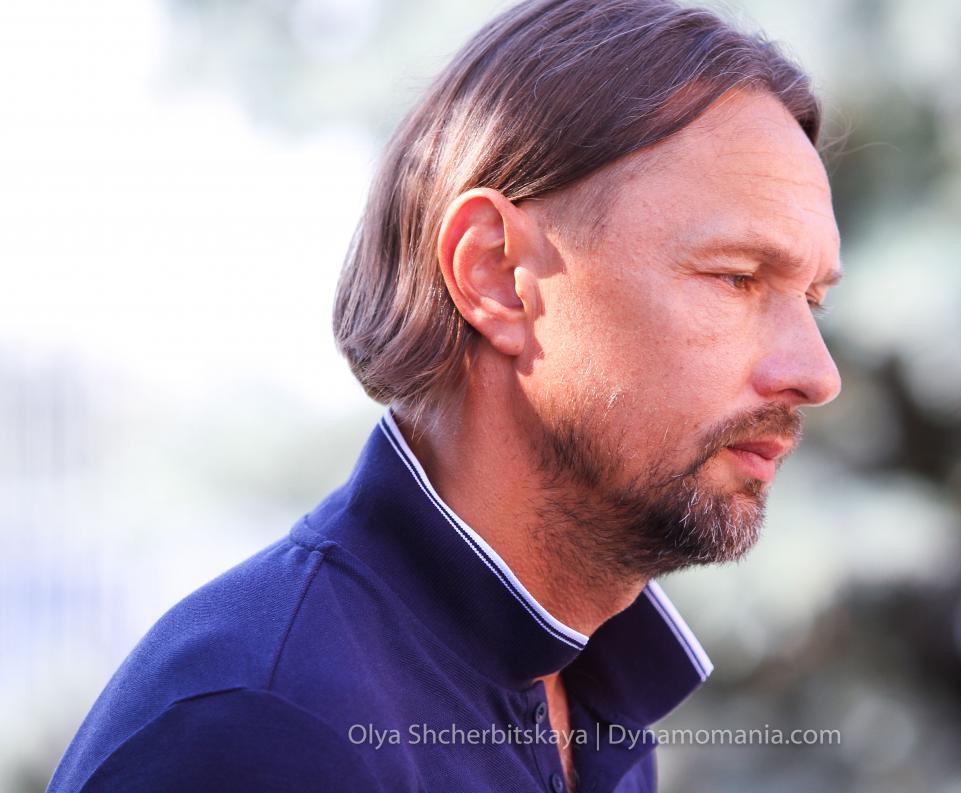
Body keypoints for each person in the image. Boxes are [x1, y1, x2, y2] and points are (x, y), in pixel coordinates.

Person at [47, 0, 842, 790]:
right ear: (495, 274)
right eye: (737, 277)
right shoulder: (265, 728)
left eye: (812, 298)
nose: (817, 373)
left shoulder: (594, 701)